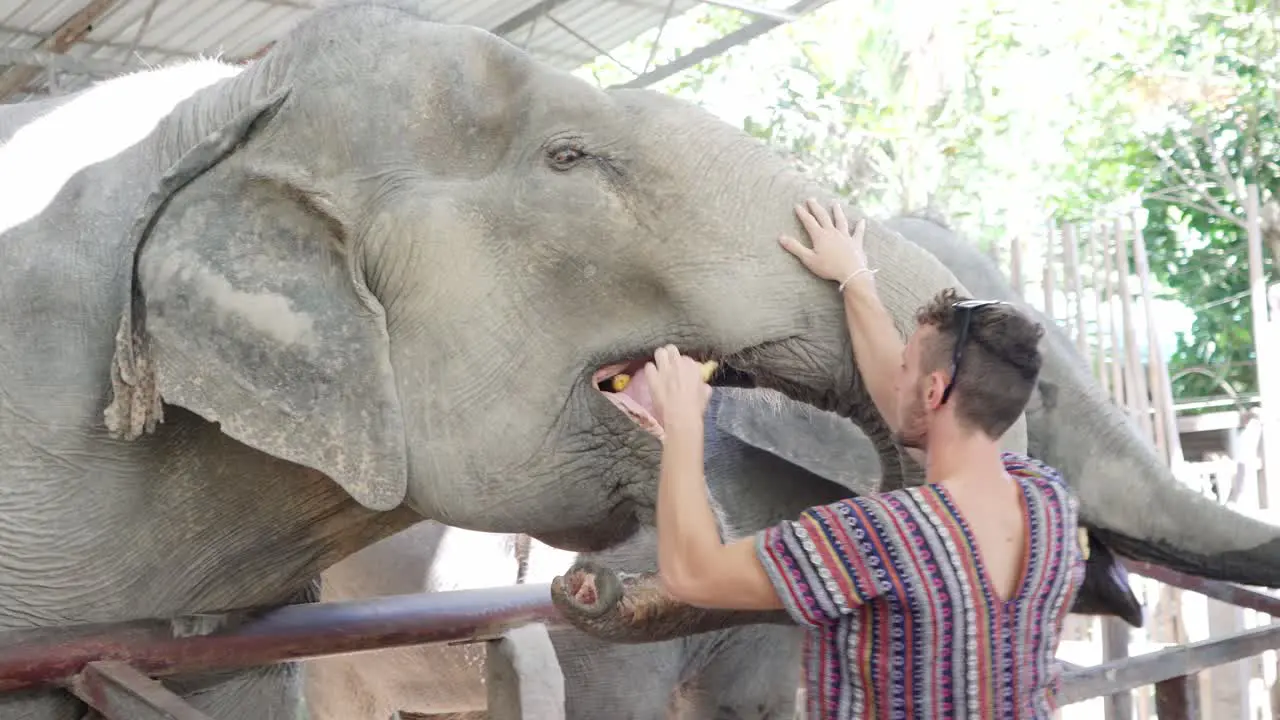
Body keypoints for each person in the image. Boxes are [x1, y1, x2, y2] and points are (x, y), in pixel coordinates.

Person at [645, 199, 1086, 719]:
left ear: (934, 392)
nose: (894, 376)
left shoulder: (881, 536)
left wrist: (683, 423)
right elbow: (910, 403)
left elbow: (692, 575)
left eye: (905, 366)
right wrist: (855, 280)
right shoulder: (1048, 500)